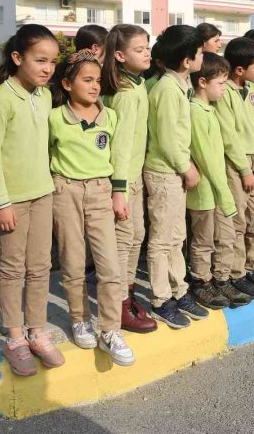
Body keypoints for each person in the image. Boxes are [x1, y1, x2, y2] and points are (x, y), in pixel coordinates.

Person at [0, 24, 64, 377]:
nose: (47, 68)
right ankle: (15, 337)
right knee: (13, 268)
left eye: (52, 62)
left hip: (42, 194)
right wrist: (1, 203)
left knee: (41, 265)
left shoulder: (44, 96)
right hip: (11, 200)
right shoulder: (1, 99)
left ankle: (37, 330)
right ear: (18, 58)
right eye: (40, 60)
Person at [48, 50, 134, 367]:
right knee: (71, 261)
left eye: (97, 80)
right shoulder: (55, 117)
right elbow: (46, 157)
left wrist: (119, 193)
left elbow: (120, 157)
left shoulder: (109, 117)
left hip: (101, 191)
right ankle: (79, 318)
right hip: (64, 190)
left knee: (110, 266)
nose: (95, 86)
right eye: (87, 80)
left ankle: (110, 330)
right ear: (68, 84)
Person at [144, 25, 208, 328]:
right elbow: (169, 139)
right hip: (164, 172)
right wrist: (186, 168)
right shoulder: (168, 90)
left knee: (176, 237)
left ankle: (178, 290)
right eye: (199, 53)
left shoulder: (180, 86)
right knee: (161, 239)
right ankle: (160, 299)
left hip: (173, 172)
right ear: (186, 60)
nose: (203, 57)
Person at [101, 24, 157, 334]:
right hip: (122, 180)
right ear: (120, 56)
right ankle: (119, 304)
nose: (147, 52)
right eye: (139, 49)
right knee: (123, 242)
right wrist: (119, 190)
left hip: (134, 176)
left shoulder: (138, 85)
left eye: (147, 47)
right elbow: (120, 146)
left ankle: (129, 293)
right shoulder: (124, 92)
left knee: (136, 237)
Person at [187, 53, 248, 309]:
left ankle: (221, 279)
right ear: (202, 82)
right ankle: (201, 281)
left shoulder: (209, 109)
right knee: (203, 240)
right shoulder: (196, 111)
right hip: (205, 190)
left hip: (218, 188)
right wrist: (223, 191)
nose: (224, 89)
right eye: (221, 83)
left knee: (224, 234)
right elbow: (206, 157)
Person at [213, 37, 254, 299]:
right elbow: (228, 135)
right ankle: (235, 272)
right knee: (237, 222)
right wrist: (245, 170)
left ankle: (251, 267)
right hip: (236, 165)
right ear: (239, 69)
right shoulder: (224, 92)